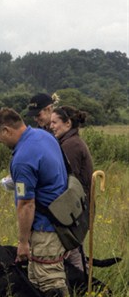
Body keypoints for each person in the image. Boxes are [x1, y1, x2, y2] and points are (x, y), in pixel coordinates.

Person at [0, 107, 70, 297]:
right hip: (61, 218)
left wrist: (22, 242)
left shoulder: (23, 157)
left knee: (49, 278)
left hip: (44, 226)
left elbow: (26, 203)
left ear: (6, 130)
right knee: (37, 276)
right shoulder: (44, 136)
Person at [50, 105, 94, 275]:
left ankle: (84, 286)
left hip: (76, 209)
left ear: (67, 123)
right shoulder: (70, 141)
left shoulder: (71, 145)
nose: (51, 126)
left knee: (73, 250)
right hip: (77, 207)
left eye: (55, 122)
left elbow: (66, 181)